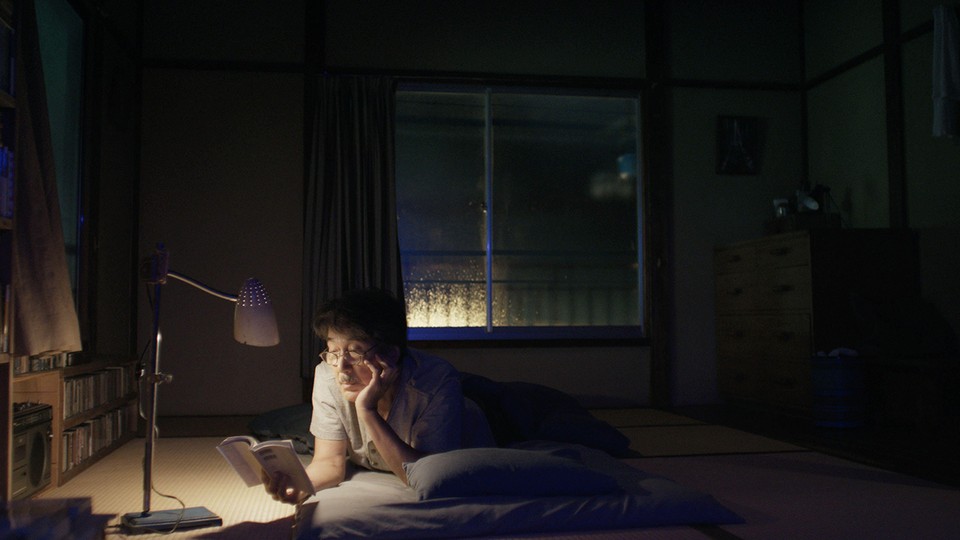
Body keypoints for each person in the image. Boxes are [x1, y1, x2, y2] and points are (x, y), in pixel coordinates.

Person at [264, 288, 493, 504]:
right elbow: (330, 462)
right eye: (333, 352)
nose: (341, 367)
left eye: (354, 352)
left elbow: (427, 477)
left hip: (481, 415)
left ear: (390, 355)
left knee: (503, 402)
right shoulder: (328, 373)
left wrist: (367, 411)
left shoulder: (435, 383)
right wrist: (301, 484)